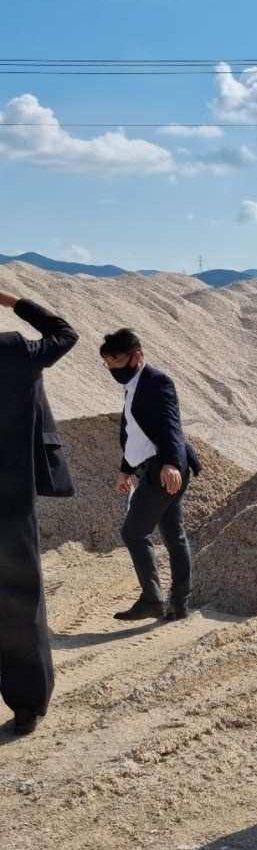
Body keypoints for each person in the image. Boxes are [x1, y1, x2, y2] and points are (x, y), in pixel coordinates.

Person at [0, 288, 78, 736]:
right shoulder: (14, 350)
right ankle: (27, 705)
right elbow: (65, 334)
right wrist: (14, 302)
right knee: (20, 600)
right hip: (11, 498)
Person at [100, 328, 202, 623]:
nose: (113, 368)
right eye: (108, 363)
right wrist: (126, 470)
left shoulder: (157, 381)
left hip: (163, 469)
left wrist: (170, 463)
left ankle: (152, 600)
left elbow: (171, 426)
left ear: (137, 357)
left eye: (117, 361)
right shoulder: (132, 386)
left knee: (133, 532)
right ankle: (180, 603)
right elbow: (134, 433)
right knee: (174, 536)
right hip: (151, 467)